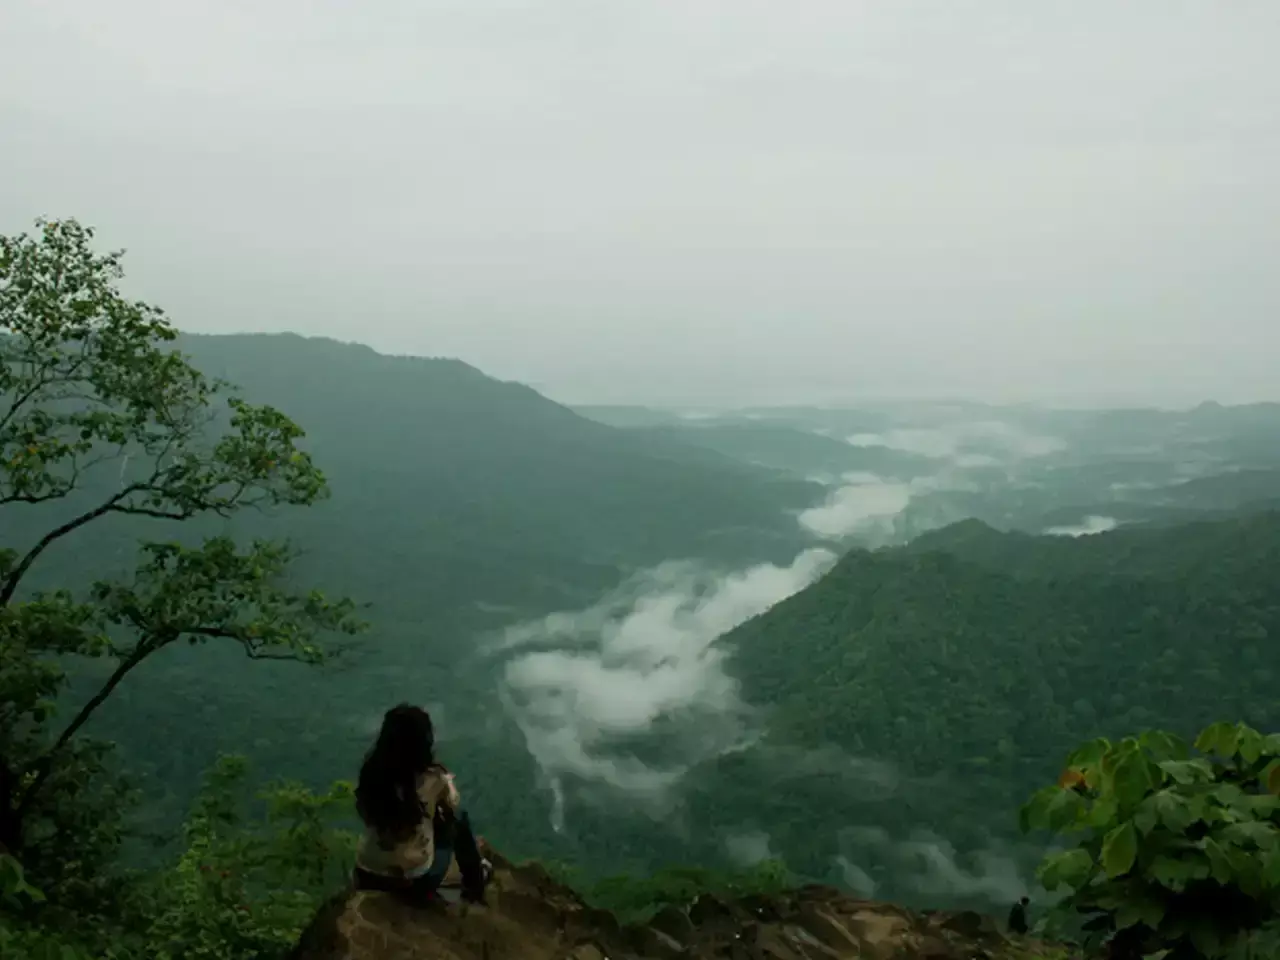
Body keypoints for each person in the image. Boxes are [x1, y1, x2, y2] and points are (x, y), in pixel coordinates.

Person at [354, 704, 490, 905]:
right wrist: (448, 783)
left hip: (365, 875)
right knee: (459, 818)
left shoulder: (370, 774)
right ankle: (475, 884)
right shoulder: (432, 778)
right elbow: (452, 805)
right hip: (412, 885)